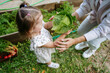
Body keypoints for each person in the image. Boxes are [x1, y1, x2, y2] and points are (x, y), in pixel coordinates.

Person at [16, 2, 71, 68]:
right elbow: (53, 45)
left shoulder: (36, 26)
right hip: (43, 50)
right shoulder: (37, 40)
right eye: (40, 22)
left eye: (41, 20)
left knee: (42, 57)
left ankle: (40, 60)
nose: (42, 22)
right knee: (46, 57)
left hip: (45, 45)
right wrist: (64, 34)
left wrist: (54, 21)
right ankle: (49, 64)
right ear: (30, 30)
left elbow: (46, 25)